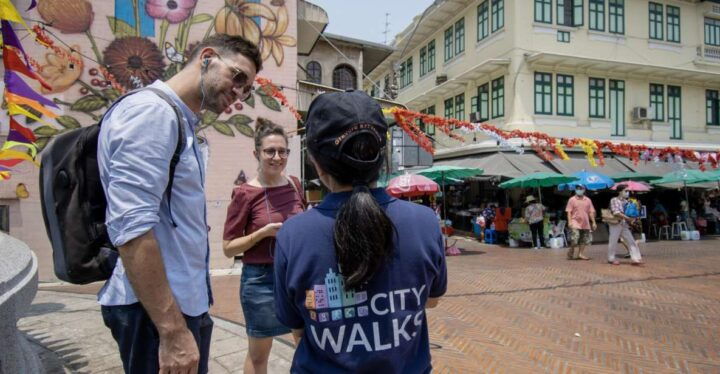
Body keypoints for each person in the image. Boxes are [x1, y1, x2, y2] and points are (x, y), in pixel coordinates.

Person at [97, 34, 262, 373]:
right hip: (156, 314)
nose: (240, 92)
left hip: (176, 306)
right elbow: (131, 228)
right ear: (207, 57)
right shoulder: (152, 113)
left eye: (248, 89)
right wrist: (172, 331)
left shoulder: (177, 119)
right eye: (238, 77)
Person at [273, 90, 448, 373]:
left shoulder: (293, 235)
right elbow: (432, 299)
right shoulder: (425, 222)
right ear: (383, 156)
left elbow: (297, 327)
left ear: (315, 161)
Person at [223, 117, 305, 373]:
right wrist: (262, 234)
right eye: (270, 151)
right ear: (256, 153)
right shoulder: (245, 193)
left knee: (306, 345)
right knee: (259, 354)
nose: (277, 157)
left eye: (282, 151)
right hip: (261, 281)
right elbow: (229, 248)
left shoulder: (294, 184)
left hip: (297, 275)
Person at [607, 185, 643, 266]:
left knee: (631, 240)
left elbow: (630, 212)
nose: (627, 193)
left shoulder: (627, 201)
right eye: (625, 191)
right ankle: (611, 258)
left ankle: (635, 258)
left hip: (623, 223)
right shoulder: (614, 200)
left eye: (628, 191)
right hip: (615, 224)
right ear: (620, 191)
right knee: (613, 241)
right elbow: (616, 212)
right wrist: (628, 218)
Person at [565, 185, 597, 260]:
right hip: (575, 221)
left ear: (584, 190)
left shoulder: (588, 200)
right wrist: (569, 222)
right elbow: (569, 212)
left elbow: (591, 212)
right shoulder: (572, 200)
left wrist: (594, 222)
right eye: (577, 188)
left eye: (581, 188)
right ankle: (571, 249)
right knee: (575, 239)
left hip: (585, 222)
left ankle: (580, 254)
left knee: (583, 239)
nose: (579, 190)